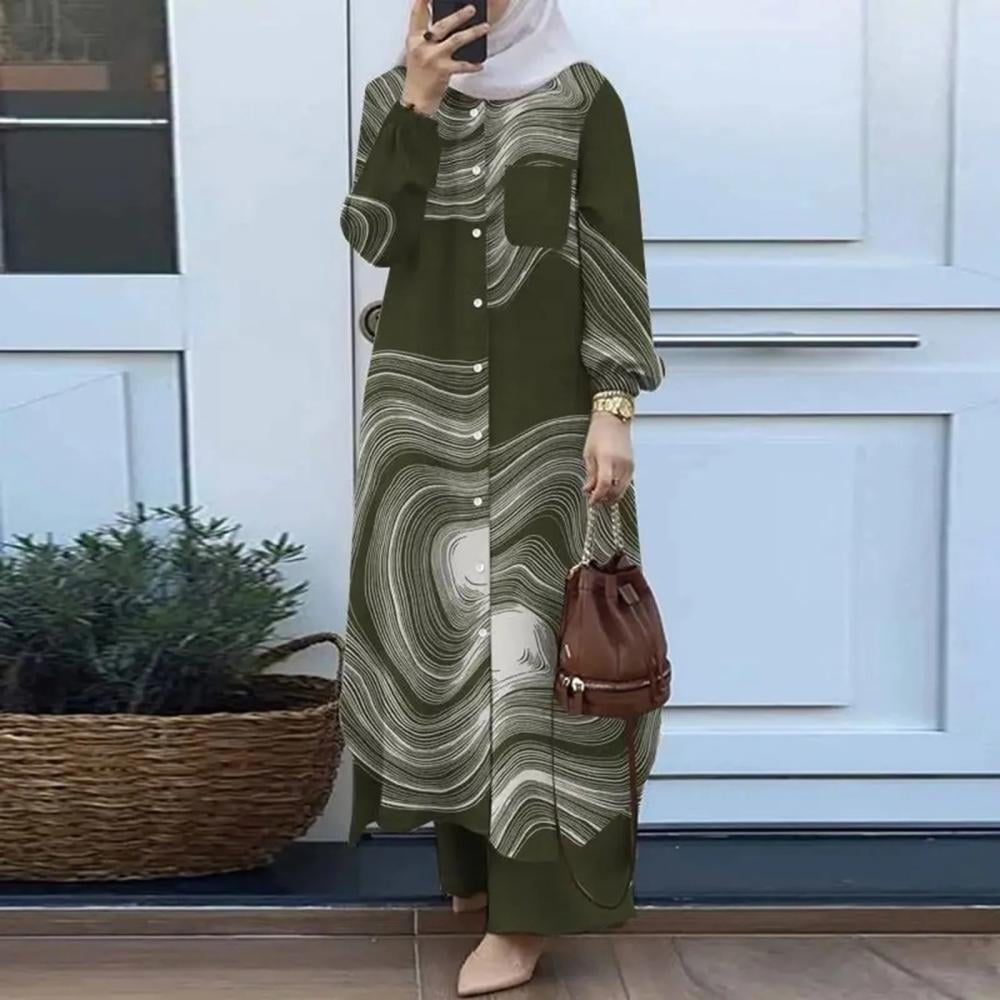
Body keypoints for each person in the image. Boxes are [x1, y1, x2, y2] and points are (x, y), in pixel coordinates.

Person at [339, 0, 666, 994]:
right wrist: (416, 105)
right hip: (421, 426)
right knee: (446, 650)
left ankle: (530, 915)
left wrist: (613, 407)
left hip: (543, 427)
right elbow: (373, 234)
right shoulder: (392, 97)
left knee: (542, 663)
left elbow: (613, 257)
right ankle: (474, 873)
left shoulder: (582, 99)